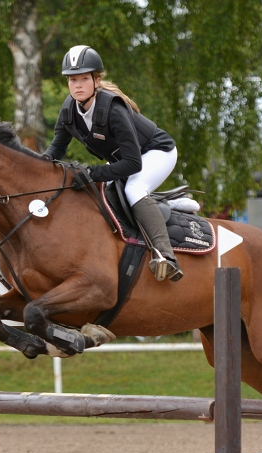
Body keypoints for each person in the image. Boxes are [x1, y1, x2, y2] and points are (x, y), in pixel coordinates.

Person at [42, 45, 182, 282]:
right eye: (72, 79)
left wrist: (94, 172)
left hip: (157, 152)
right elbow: (57, 148)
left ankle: (166, 257)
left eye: (84, 78)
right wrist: (39, 165)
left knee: (134, 189)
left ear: (96, 80)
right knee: (96, 192)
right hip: (124, 159)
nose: (77, 85)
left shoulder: (113, 109)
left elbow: (133, 164)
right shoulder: (69, 110)